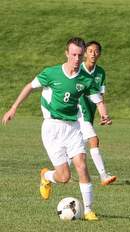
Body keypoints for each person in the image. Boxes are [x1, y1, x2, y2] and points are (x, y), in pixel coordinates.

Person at [2, 37, 112, 221]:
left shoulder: (86, 79)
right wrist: (13, 108)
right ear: (67, 54)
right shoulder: (51, 73)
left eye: (79, 55)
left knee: (82, 165)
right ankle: (46, 176)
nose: (77, 59)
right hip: (52, 128)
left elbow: (98, 99)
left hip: (73, 128)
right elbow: (30, 86)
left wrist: (104, 115)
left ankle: (89, 210)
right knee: (64, 177)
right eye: (74, 54)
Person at [78, 40, 117, 186]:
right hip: (78, 112)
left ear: (99, 54)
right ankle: (103, 175)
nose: (93, 54)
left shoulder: (100, 72)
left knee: (77, 148)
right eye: (90, 51)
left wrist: (103, 115)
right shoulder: (78, 70)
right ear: (85, 53)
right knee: (94, 140)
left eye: (96, 51)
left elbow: (100, 97)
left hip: (90, 112)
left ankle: (50, 175)